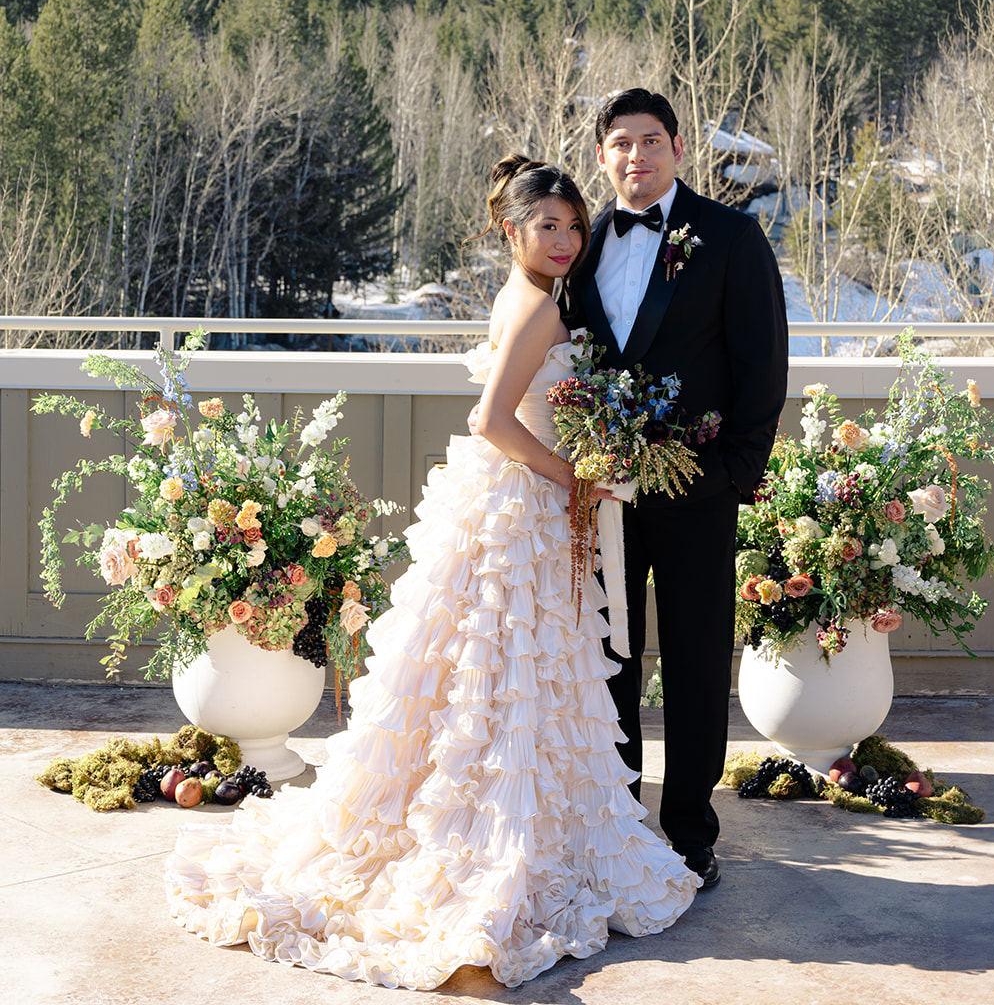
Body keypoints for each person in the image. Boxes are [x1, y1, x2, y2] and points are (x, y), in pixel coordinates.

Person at [166, 155, 697, 991]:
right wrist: (577, 477)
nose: (563, 240)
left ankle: (511, 818)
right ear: (509, 230)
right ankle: (490, 838)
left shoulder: (533, 301)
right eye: (545, 226)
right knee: (505, 668)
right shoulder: (532, 311)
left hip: (514, 506)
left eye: (572, 225)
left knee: (493, 675)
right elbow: (491, 420)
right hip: (520, 504)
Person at [565, 89, 788, 891]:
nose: (636, 156)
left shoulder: (729, 236)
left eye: (650, 140)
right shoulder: (578, 245)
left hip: (698, 490)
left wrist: (734, 474)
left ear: (678, 147)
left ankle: (691, 833)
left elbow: (762, 361)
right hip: (602, 494)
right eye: (620, 143)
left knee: (694, 661)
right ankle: (617, 821)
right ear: (601, 156)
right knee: (608, 658)